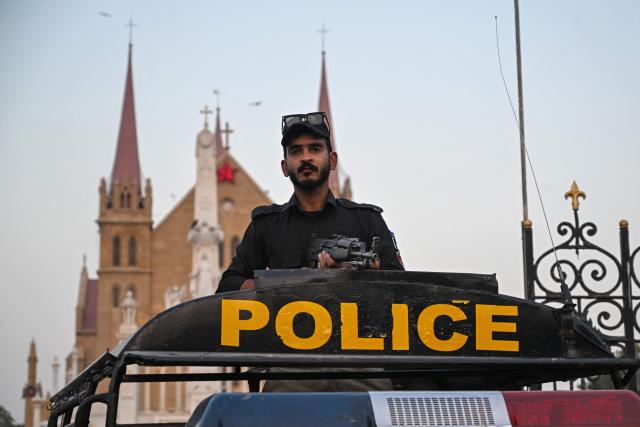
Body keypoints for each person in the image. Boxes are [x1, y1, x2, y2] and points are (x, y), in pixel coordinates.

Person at [216, 111, 404, 294]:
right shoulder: (266, 225)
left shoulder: (367, 221)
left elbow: (404, 288)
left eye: (315, 148)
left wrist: (353, 277)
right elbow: (228, 285)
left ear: (332, 161)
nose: (306, 157)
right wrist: (285, 285)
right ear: (284, 167)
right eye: (296, 151)